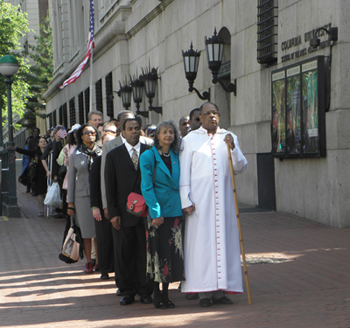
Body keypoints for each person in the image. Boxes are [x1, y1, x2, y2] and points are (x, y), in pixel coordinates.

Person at [179, 102, 248, 307]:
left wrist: (233, 148)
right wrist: (186, 199)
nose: (212, 117)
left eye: (215, 113)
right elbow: (183, 173)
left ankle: (220, 291)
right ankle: (204, 293)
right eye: (207, 114)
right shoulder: (190, 140)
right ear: (200, 118)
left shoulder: (229, 137)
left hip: (224, 203)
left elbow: (241, 167)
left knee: (224, 245)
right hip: (200, 204)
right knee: (201, 247)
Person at [105, 118, 153, 306]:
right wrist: (113, 212)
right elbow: (110, 186)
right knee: (125, 253)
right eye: (130, 129)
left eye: (137, 128)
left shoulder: (150, 153)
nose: (134, 131)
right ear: (122, 132)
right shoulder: (113, 155)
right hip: (124, 214)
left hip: (146, 212)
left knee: (144, 253)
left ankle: (146, 290)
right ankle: (127, 291)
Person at [140, 121, 184, 309]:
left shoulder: (176, 155)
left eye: (171, 132)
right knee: (157, 253)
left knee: (171, 253)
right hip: (158, 211)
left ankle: (166, 293)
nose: (168, 135)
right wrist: (156, 212)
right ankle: (157, 294)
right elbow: (146, 186)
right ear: (157, 135)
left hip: (175, 210)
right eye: (164, 132)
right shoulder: (148, 156)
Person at [67, 124, 102, 273]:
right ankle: (89, 261)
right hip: (82, 196)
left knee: (99, 231)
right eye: (87, 133)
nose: (90, 135)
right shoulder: (75, 155)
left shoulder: (102, 152)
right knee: (87, 232)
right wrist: (70, 202)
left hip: (100, 196)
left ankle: (100, 260)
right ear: (81, 136)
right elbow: (70, 180)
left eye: (93, 133)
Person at [89, 132, 115, 280]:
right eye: (107, 142)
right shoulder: (98, 161)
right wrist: (95, 207)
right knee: (104, 239)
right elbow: (94, 186)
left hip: (116, 206)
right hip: (101, 206)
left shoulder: (119, 158)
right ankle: (104, 268)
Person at [15, 136, 48, 216]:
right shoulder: (35, 153)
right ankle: (41, 210)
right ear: (38, 144)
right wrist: (16, 148)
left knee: (48, 192)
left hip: (48, 174)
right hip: (39, 175)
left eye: (44, 141)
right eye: (41, 142)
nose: (43, 143)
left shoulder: (50, 152)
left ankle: (49, 211)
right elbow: (26, 152)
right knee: (40, 193)